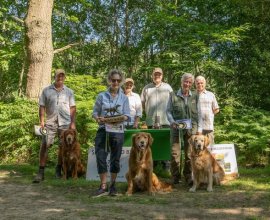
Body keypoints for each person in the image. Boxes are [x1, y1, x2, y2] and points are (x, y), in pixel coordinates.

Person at [33, 69, 76, 183]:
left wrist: (72, 123)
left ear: (64, 78)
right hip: (50, 122)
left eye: (62, 76)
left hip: (65, 123)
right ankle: (41, 172)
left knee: (63, 147)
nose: (60, 78)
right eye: (58, 76)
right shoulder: (46, 91)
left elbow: (72, 108)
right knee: (45, 145)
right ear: (55, 76)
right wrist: (42, 121)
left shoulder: (69, 92)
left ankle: (59, 169)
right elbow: (42, 106)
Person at [92, 69, 130, 196]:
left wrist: (115, 119)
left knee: (115, 158)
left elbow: (127, 116)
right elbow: (95, 112)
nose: (115, 82)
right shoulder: (101, 96)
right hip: (103, 130)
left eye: (118, 80)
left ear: (121, 82)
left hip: (118, 131)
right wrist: (98, 118)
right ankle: (103, 185)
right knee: (100, 156)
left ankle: (113, 185)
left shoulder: (124, 98)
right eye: (113, 80)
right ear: (109, 80)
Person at [167, 73, 199, 185]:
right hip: (176, 128)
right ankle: (175, 177)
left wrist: (196, 129)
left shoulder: (195, 95)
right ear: (182, 82)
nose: (187, 84)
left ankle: (188, 176)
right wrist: (172, 122)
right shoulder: (172, 95)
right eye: (186, 81)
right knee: (175, 153)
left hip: (191, 130)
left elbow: (198, 113)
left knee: (189, 153)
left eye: (190, 82)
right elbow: (168, 111)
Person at [141, 67, 173, 171]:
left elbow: (173, 102)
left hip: (165, 121)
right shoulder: (146, 88)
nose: (157, 76)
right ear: (152, 76)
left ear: (162, 76)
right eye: (155, 74)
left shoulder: (168, 87)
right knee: (151, 144)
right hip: (150, 122)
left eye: (159, 74)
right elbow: (142, 103)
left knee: (165, 145)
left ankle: (166, 169)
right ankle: (152, 168)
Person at [195, 75, 219, 146]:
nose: (200, 85)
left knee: (210, 148)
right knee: (197, 150)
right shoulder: (192, 95)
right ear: (195, 84)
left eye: (201, 83)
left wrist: (209, 115)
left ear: (205, 83)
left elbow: (216, 109)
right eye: (198, 83)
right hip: (196, 128)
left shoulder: (211, 94)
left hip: (209, 127)